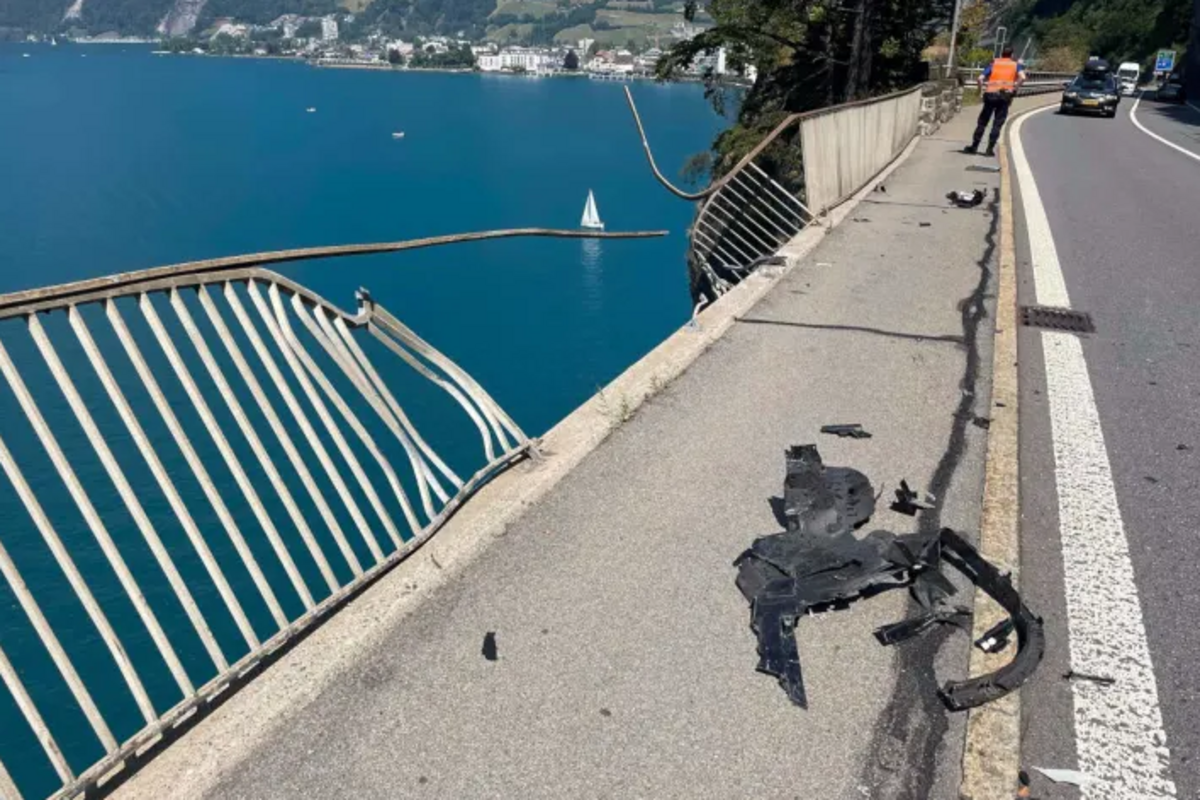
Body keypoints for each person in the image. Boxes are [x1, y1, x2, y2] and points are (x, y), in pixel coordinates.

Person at [964, 46, 1027, 156]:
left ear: (1002, 54)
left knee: (982, 122)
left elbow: (980, 78)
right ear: (1012, 55)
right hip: (1005, 96)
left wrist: (979, 91)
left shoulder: (994, 63)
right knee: (997, 123)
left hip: (990, 95)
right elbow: (1023, 77)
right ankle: (989, 149)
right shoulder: (1015, 65)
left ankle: (974, 146)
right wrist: (1014, 89)